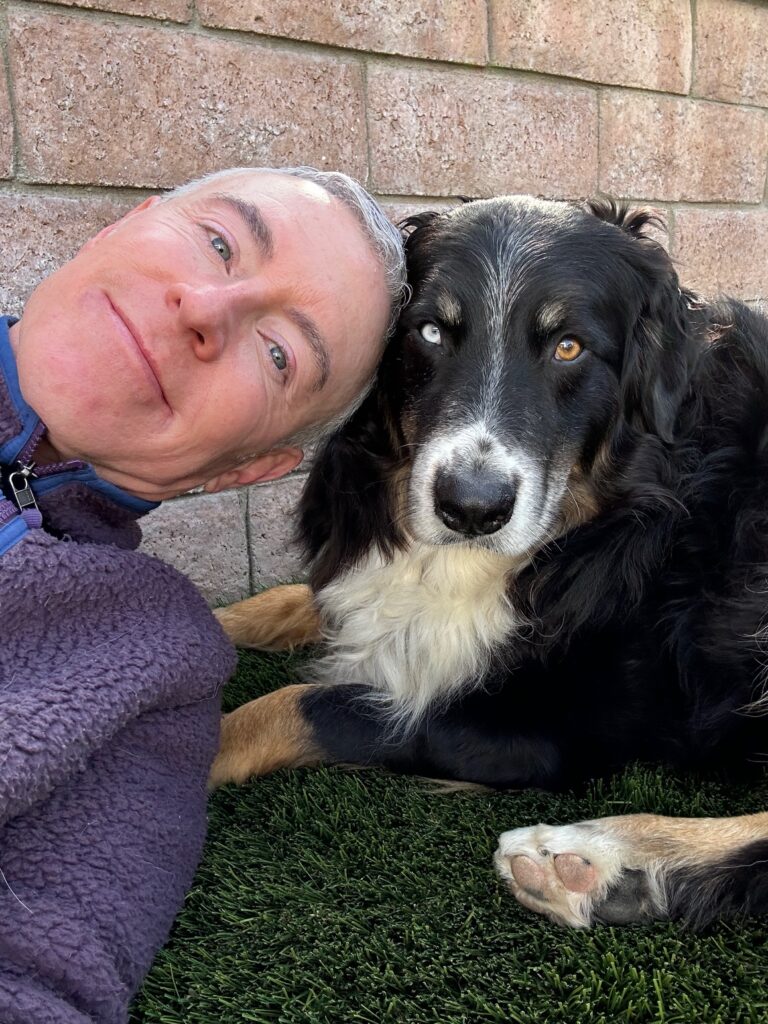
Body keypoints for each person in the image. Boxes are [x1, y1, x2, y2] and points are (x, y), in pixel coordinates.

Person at [0, 166, 407, 1024]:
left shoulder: (153, 670)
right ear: (127, 222)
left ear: (247, 468)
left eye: (278, 353)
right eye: (218, 242)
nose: (205, 309)